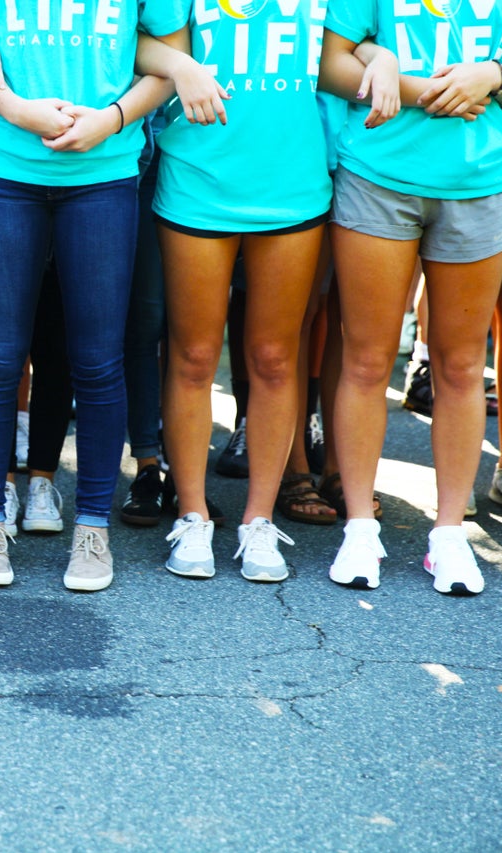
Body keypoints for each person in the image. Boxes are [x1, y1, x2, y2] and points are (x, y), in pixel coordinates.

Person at [0, 0, 212, 592]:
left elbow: (167, 60)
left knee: (97, 360)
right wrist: (11, 100)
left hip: (102, 177)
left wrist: (114, 119)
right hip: (2, 172)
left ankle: (92, 528)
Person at [318, 0, 502, 594]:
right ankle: (361, 528)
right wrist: (412, 85)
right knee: (366, 360)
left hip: (479, 183)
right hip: (378, 176)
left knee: (462, 365)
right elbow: (329, 64)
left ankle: (449, 534)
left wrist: (494, 76)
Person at [154, 0, 334, 582]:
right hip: (197, 180)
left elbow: (342, 51)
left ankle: (258, 519)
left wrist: (378, 57)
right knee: (194, 356)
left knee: (275, 358)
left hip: (293, 183)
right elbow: (137, 41)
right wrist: (176, 65)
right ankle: (192, 512)